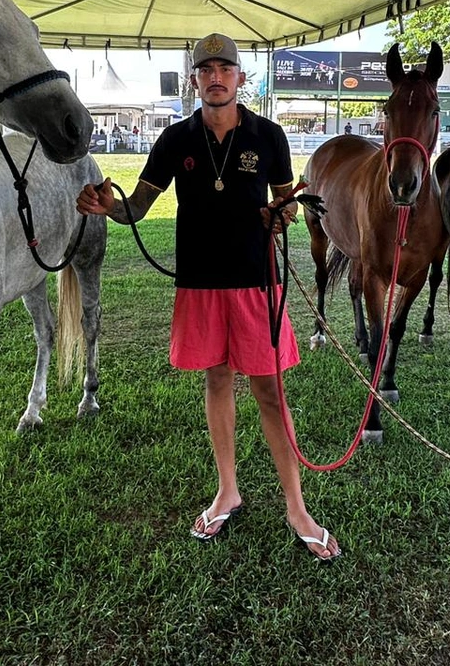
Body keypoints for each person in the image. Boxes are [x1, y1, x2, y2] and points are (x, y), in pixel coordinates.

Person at [76, 32, 341, 562]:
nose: (215, 77)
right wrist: (109, 206)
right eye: (205, 70)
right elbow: (137, 207)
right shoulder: (175, 139)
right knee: (217, 380)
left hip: (255, 281)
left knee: (270, 392)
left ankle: (297, 508)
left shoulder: (269, 136)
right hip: (199, 283)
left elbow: (286, 202)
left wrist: (282, 214)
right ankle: (227, 492)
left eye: (225, 69)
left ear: (240, 77)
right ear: (194, 79)